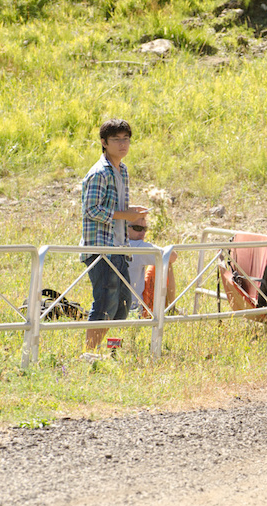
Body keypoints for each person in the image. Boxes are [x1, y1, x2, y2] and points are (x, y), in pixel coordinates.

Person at [80, 118, 148, 352]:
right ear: (104, 143)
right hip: (101, 248)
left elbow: (116, 208)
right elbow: (91, 210)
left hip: (119, 246)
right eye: (116, 140)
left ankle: (102, 350)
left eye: (126, 139)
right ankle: (88, 353)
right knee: (105, 303)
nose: (122, 144)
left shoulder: (122, 170)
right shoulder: (100, 172)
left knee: (122, 304)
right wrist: (124, 215)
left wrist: (130, 213)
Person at [127, 217, 177, 316]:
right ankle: (171, 309)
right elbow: (172, 256)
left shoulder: (111, 243)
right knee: (166, 262)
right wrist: (167, 248)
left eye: (145, 229)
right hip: (135, 309)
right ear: (124, 227)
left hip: (111, 306)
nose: (142, 233)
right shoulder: (138, 246)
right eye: (137, 228)